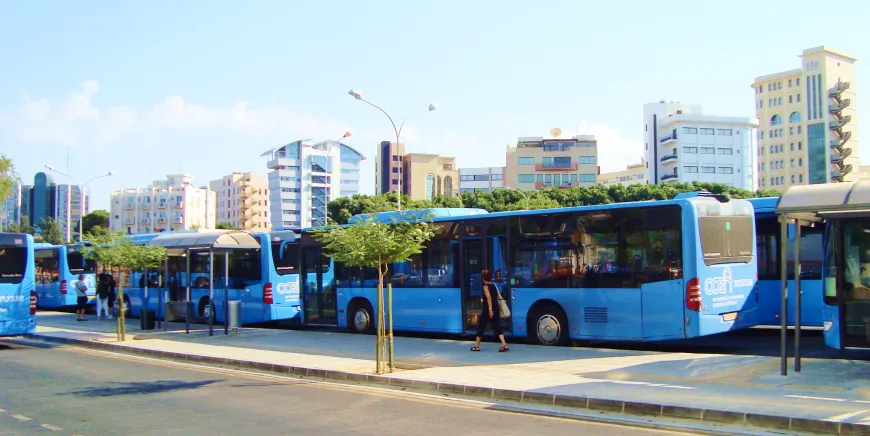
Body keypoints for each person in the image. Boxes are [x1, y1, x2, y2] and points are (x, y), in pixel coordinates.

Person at [470, 269, 509, 352]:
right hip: (496, 308)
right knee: (497, 326)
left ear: (483, 278)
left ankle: (476, 346)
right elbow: (493, 297)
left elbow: (489, 298)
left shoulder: (485, 287)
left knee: (481, 326)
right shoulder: (494, 285)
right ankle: (504, 344)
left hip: (488, 309)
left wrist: (490, 310)